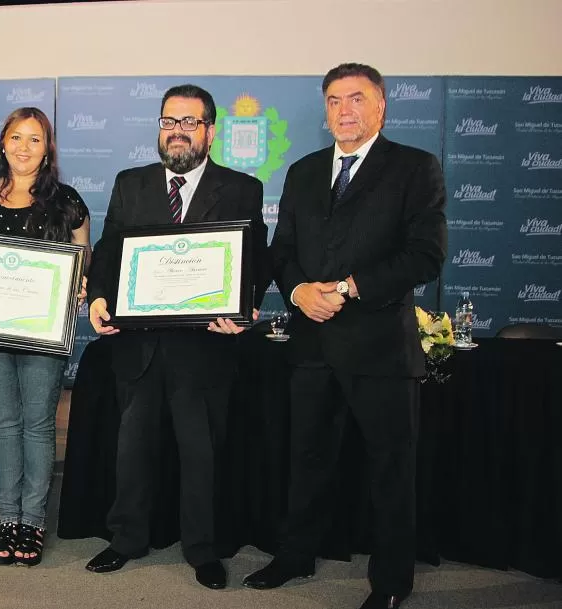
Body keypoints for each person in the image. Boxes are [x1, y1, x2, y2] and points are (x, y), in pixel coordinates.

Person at [242, 63, 447, 609]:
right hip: (312, 346)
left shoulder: (415, 168)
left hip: (380, 348)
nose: (344, 110)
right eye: (333, 100)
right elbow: (282, 251)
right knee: (306, 460)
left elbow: (426, 254)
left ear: (381, 106)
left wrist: (352, 287)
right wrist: (299, 291)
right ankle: (295, 555)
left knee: (389, 470)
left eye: (356, 98)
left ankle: (390, 583)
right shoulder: (305, 171)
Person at [84, 84, 270, 589]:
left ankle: (202, 549)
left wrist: (244, 304)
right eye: (169, 121)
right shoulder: (131, 183)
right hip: (138, 346)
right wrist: (99, 295)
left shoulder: (241, 189)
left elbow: (254, 259)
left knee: (200, 453)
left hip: (204, 347)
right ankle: (126, 539)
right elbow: (108, 249)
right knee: (132, 450)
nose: (178, 132)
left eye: (190, 122)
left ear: (211, 131)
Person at [0, 107, 90, 566]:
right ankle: (7, 518)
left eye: (35, 139)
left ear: (47, 148)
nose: (24, 148)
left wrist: (81, 286)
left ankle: (33, 520)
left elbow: (81, 264)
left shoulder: (67, 202)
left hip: (43, 336)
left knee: (38, 425)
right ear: (2, 143)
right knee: (4, 425)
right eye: (16, 137)